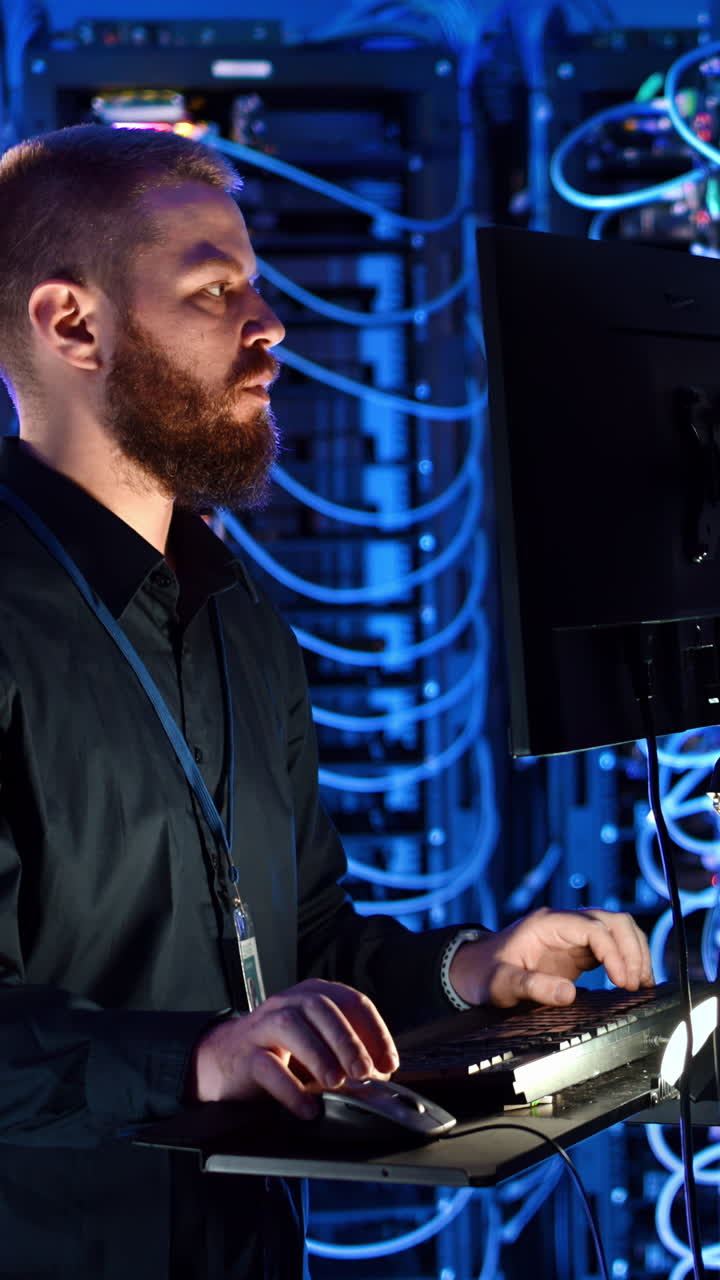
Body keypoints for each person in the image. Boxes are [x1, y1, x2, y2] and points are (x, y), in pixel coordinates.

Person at [0, 125, 653, 1280]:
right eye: (215, 291)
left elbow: (298, 938)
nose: (271, 325)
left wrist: (469, 970)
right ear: (74, 326)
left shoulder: (240, 613)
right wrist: (198, 1058)